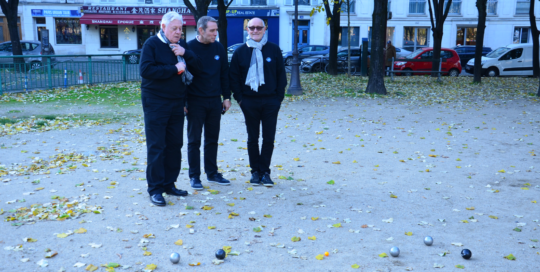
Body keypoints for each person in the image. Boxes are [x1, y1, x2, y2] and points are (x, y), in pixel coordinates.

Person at [139, 11, 202, 206]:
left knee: (175, 145)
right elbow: (146, 70)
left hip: (177, 104)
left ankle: (169, 183)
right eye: (174, 28)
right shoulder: (151, 44)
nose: (178, 32)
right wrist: (174, 69)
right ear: (163, 26)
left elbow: (197, 68)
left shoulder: (180, 45)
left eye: (180, 29)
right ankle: (155, 189)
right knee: (157, 146)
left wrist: (186, 54)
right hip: (156, 103)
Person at [229, 17, 287, 187]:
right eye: (251, 28)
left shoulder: (274, 50)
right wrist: (240, 99)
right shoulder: (240, 52)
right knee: (252, 138)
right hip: (249, 102)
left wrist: (278, 99)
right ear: (247, 30)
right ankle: (255, 172)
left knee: (269, 138)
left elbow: (281, 77)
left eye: (258, 28)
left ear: (264, 29)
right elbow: (233, 77)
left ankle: (265, 172)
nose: (255, 30)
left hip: (270, 102)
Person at [185, 16, 231, 190]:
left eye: (216, 30)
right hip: (195, 101)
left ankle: (212, 173)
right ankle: (194, 176)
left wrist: (226, 97)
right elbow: (182, 77)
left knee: (212, 139)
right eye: (212, 30)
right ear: (201, 30)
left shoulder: (218, 47)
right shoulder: (188, 47)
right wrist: (184, 101)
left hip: (214, 101)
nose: (215, 33)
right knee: (194, 141)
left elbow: (224, 74)